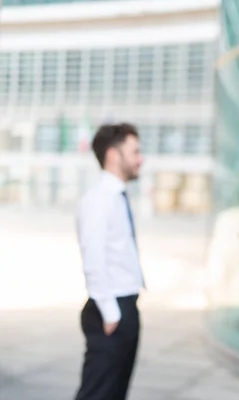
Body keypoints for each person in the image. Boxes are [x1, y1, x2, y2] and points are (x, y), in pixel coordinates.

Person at [75, 123, 145, 400]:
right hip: (111, 310)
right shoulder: (98, 199)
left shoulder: (117, 197)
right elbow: (92, 258)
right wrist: (110, 311)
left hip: (126, 305)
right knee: (97, 393)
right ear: (114, 155)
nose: (140, 159)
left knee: (115, 393)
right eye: (135, 151)